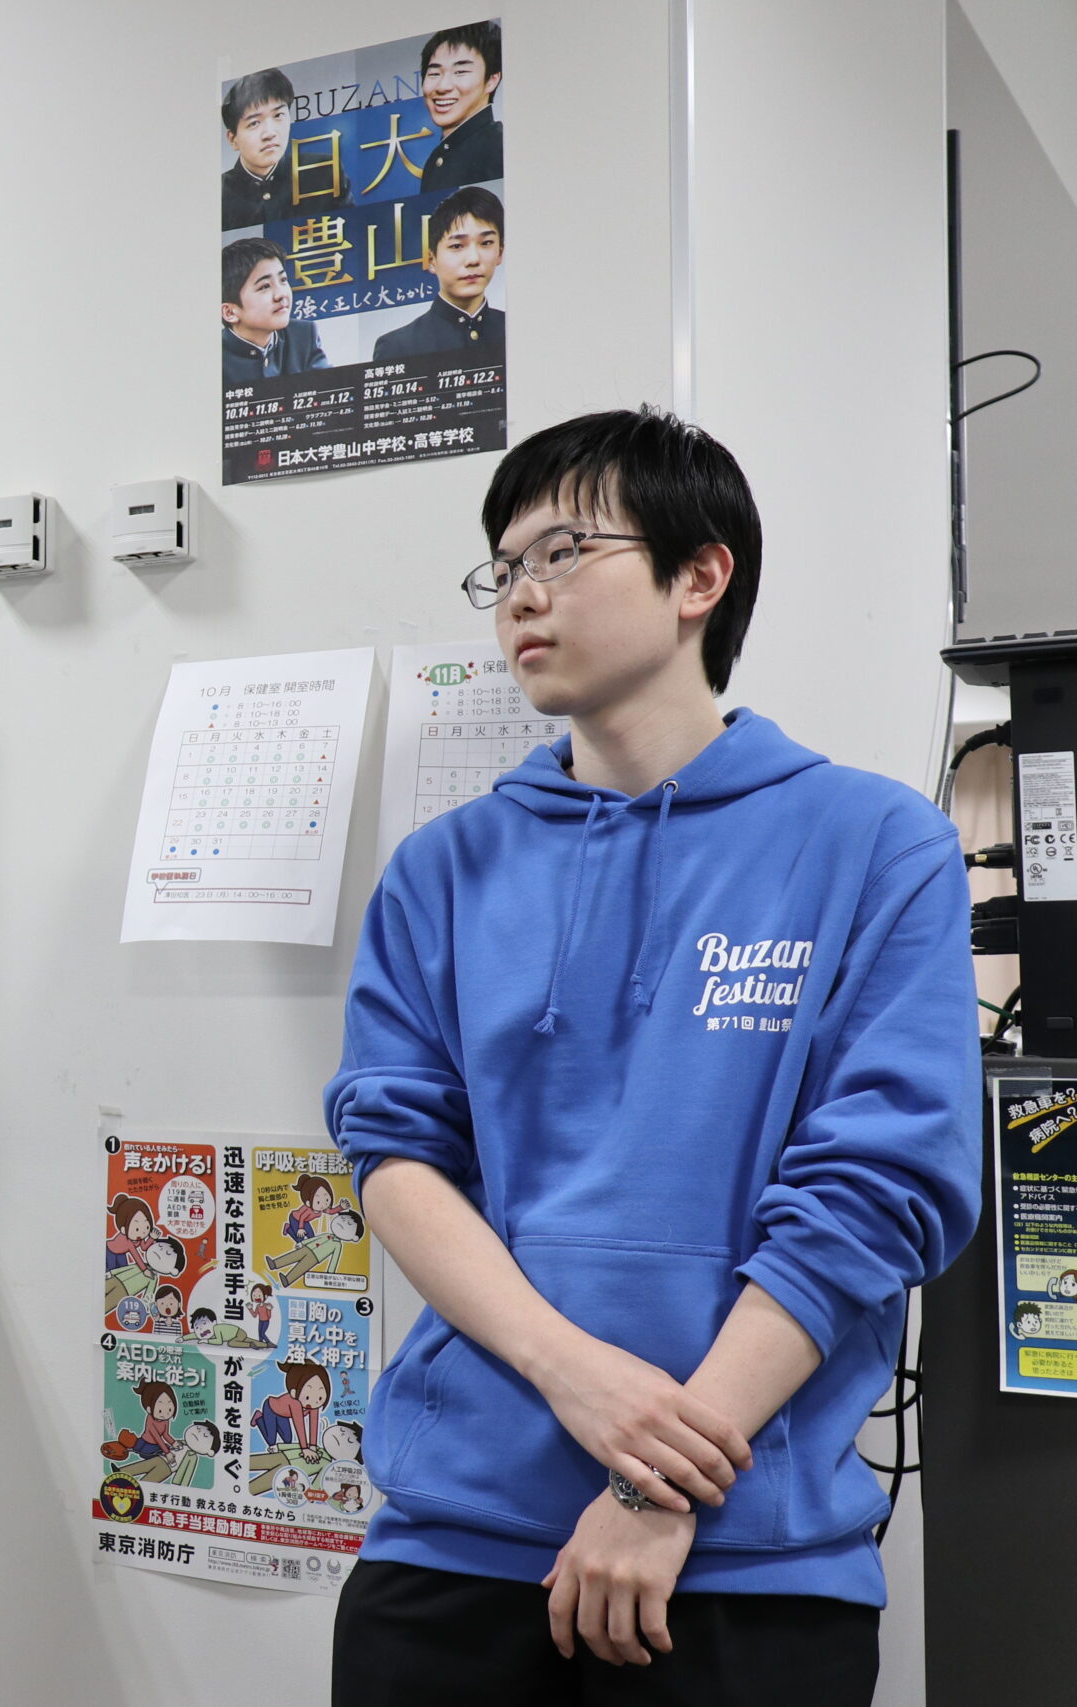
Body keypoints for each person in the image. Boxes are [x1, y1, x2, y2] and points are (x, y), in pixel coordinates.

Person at [324, 407, 981, 1702]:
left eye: (563, 551)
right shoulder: (441, 870)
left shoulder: (873, 843)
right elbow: (395, 1157)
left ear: (699, 576)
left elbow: (879, 1187)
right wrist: (577, 1376)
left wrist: (655, 1481)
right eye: (503, 568)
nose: (522, 594)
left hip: (748, 1563)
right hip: (453, 1541)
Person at [372, 186, 505, 360]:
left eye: (486, 243)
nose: (473, 259)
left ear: (500, 252)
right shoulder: (398, 346)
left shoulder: (516, 328)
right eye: (457, 246)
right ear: (431, 260)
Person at [222, 66, 348, 229]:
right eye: (254, 123)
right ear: (233, 139)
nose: (270, 133)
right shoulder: (219, 194)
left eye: (278, 115)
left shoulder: (325, 171)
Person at [221, 238, 327, 384]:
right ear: (230, 313)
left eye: (283, 280)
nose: (281, 294)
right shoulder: (213, 359)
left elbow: (330, 388)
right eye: (265, 286)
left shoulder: (303, 334)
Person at [415, 22, 503, 196]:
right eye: (434, 74)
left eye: (460, 72)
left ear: (491, 80)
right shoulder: (436, 158)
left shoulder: (498, 147)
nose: (443, 86)